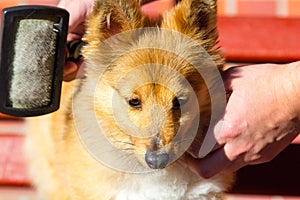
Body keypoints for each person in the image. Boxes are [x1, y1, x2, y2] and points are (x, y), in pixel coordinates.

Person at [58, 0, 300, 178]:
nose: (157, 150)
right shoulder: (86, 170)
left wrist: (286, 93)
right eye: (134, 102)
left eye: (178, 101)